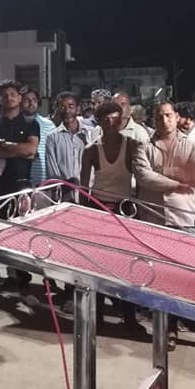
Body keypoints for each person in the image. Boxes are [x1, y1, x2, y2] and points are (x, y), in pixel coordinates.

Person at [132, 101, 195, 356]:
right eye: (159, 116)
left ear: (176, 117)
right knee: (162, 280)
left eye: (168, 115)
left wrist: (162, 177)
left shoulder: (194, 145)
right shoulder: (144, 146)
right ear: (153, 119)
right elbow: (143, 177)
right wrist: (176, 182)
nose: (164, 120)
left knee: (194, 279)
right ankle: (170, 329)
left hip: (185, 220)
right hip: (154, 221)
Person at [80, 101, 141, 331]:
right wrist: (86, 218)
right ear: (99, 122)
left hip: (124, 211)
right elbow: (83, 188)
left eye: (115, 119)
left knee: (126, 266)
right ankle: (97, 316)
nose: (111, 123)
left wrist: (137, 210)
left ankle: (129, 317)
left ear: (122, 120)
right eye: (106, 120)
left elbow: (141, 180)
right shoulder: (91, 149)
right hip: (98, 210)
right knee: (97, 265)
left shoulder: (132, 145)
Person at [0, 80, 39, 306]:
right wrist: (17, 151)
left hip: (22, 188)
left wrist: (4, 147)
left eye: (13, 94)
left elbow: (31, 149)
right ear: (0, 98)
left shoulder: (31, 123)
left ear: (19, 97)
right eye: (5, 95)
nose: (9, 98)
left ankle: (24, 287)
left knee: (22, 239)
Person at [44, 91, 90, 187]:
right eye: (62, 107)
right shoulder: (52, 137)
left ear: (78, 109)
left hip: (90, 191)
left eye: (71, 106)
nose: (67, 111)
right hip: (65, 192)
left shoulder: (90, 133)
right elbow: (52, 172)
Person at [20, 86, 56, 187]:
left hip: (42, 179)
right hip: (18, 178)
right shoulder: (13, 124)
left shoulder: (48, 125)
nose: (31, 103)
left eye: (34, 100)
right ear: (20, 101)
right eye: (27, 100)